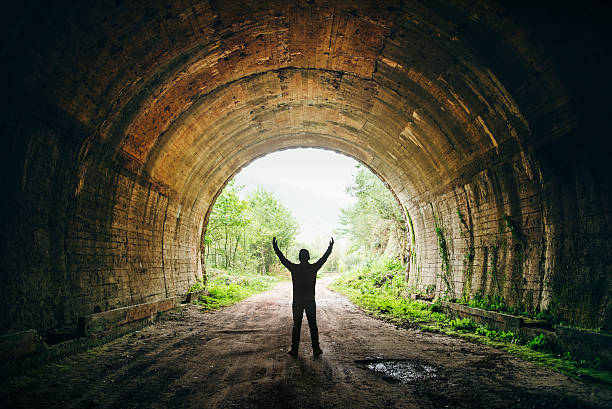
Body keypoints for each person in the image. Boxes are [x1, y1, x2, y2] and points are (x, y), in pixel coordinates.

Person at [272, 236, 334, 357]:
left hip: (297, 302)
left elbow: (283, 259)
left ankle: (294, 349)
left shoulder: (294, 268)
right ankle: (316, 348)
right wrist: (330, 248)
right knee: (313, 325)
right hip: (310, 301)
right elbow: (323, 259)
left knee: (297, 325)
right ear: (308, 257)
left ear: (299, 258)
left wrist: (276, 248)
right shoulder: (313, 268)